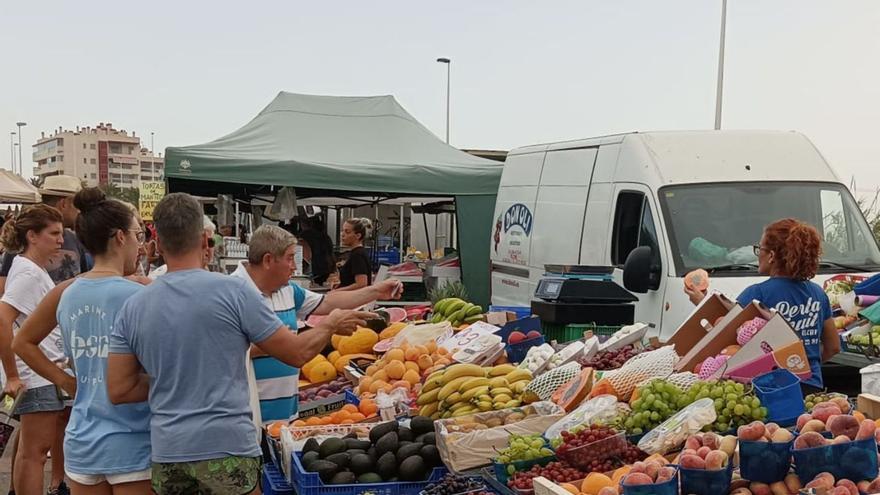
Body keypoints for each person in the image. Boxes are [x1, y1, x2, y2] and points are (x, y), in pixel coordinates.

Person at [106, 193, 373, 494]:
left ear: (158, 240)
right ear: (204, 240)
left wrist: (174, 377)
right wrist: (332, 323)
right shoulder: (233, 293)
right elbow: (297, 353)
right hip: (228, 447)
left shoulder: (133, 306)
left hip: (170, 451)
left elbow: (119, 389)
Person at [13, 188, 152, 494]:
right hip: (133, 440)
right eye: (137, 235)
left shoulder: (65, 291)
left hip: (82, 440)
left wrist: (67, 381)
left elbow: (22, 343)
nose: (140, 246)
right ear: (119, 237)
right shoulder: (140, 295)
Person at [233, 225, 402, 423]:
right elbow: (222, 351)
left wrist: (376, 291)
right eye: (289, 258)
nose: (294, 266)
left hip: (287, 414)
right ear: (268, 260)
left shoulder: (287, 290)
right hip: (247, 416)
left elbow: (328, 303)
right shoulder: (232, 293)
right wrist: (274, 345)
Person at [684, 218, 839, 393]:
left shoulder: (757, 294)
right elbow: (833, 346)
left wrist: (701, 302)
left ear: (771, 256)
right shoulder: (818, 294)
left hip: (770, 389)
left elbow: (723, 334)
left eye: (759, 249)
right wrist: (807, 362)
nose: (758, 255)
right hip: (811, 386)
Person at [0, 204, 68, 495]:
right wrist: (13, 375)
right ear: (32, 236)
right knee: (36, 454)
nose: (61, 240)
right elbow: (3, 317)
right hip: (35, 374)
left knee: (29, 449)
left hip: (36, 372)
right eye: (54, 233)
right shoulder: (28, 273)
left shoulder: (28, 268)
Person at [336, 217, 373, 291]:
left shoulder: (358, 255)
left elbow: (361, 284)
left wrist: (337, 291)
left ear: (358, 236)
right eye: (342, 231)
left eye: (347, 232)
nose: (342, 234)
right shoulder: (356, 253)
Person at [299, 216, 335, 286]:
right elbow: (331, 253)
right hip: (326, 268)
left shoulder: (304, 235)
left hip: (313, 269)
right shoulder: (326, 237)